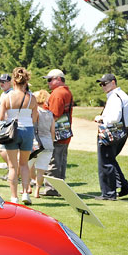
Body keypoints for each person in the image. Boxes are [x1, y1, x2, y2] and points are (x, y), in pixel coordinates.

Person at [0, 67, 38, 204]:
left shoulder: (7, 97)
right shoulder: (32, 98)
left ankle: (14, 196)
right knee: (24, 164)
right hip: (28, 130)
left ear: (13, 81)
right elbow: (35, 118)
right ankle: (26, 193)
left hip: (12, 131)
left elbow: (1, 116)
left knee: (13, 166)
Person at [93, 73, 128, 201]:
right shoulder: (120, 95)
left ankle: (108, 193)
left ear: (113, 82)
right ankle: (124, 186)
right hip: (122, 131)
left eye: (105, 83)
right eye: (101, 84)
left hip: (111, 131)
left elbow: (114, 118)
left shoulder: (115, 97)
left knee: (105, 162)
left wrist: (101, 118)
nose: (103, 86)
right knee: (110, 160)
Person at [43, 69, 74, 197]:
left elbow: (53, 116)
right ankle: (60, 188)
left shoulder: (57, 94)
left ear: (58, 79)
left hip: (55, 133)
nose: (48, 82)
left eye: (50, 79)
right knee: (61, 160)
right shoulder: (66, 92)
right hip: (65, 132)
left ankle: (51, 189)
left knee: (53, 160)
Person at [32, 90, 55, 198]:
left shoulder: (36, 112)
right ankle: (37, 190)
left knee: (27, 166)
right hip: (48, 144)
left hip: (37, 143)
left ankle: (27, 187)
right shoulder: (50, 114)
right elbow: (52, 132)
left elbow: (33, 128)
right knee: (41, 169)